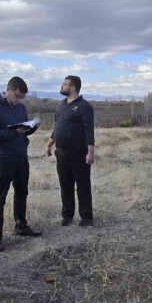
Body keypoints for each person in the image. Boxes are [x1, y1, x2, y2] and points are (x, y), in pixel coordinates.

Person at [0, 76, 41, 252]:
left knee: (22, 192)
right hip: (3, 157)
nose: (19, 100)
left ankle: (21, 226)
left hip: (21, 155)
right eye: (17, 96)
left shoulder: (21, 107)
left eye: (22, 97)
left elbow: (21, 132)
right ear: (9, 90)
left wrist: (30, 128)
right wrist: (14, 133)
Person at [44, 75, 95, 227]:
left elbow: (89, 130)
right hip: (61, 153)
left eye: (64, 84)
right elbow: (57, 128)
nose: (61, 86)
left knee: (83, 186)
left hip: (79, 153)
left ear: (73, 87)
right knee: (65, 185)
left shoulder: (85, 107)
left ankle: (86, 217)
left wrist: (90, 152)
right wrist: (49, 144)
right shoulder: (61, 105)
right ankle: (67, 215)